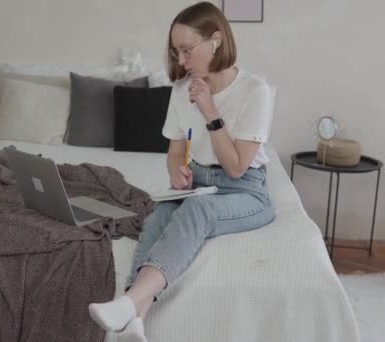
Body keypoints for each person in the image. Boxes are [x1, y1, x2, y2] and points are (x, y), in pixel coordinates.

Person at [88, 2, 275, 341]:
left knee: (198, 209)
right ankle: (135, 322)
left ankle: (128, 301)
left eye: (187, 50)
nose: (181, 61)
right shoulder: (179, 90)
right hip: (199, 180)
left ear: (215, 40)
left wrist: (210, 111)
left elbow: (236, 167)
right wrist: (177, 172)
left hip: (246, 190)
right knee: (160, 214)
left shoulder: (255, 92)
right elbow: (175, 153)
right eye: (176, 53)